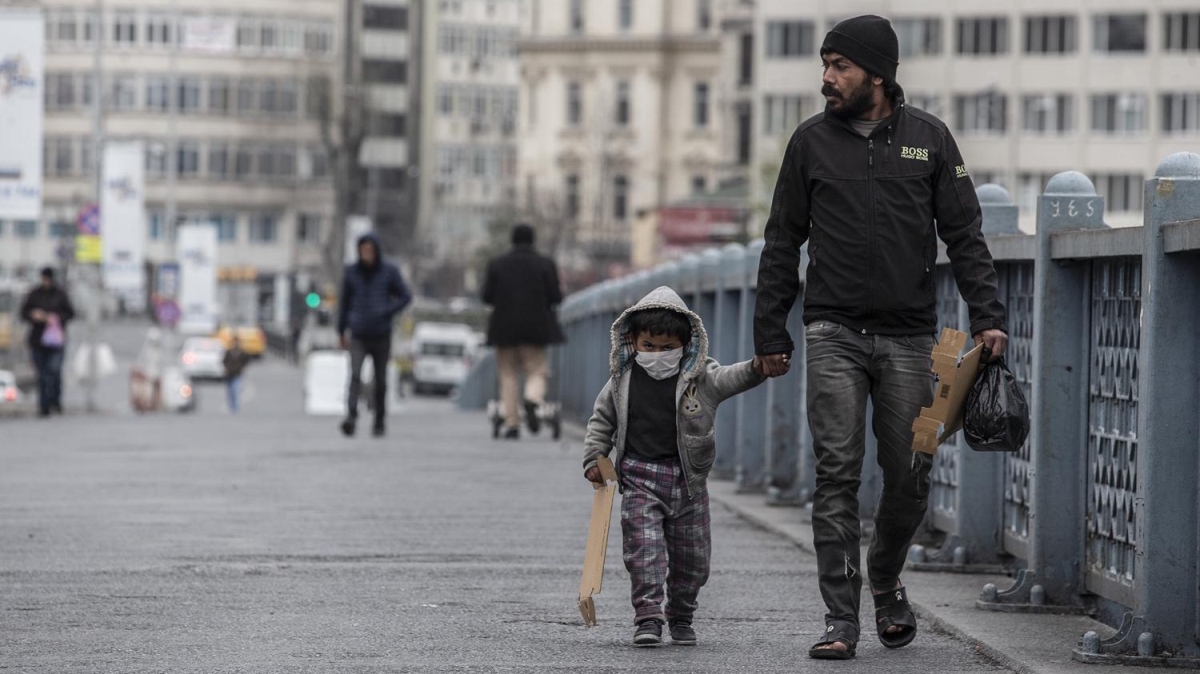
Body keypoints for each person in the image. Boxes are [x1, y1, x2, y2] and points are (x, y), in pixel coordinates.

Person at [752, 15, 1009, 660]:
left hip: (908, 338)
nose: (826, 78)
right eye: (825, 64)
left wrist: (988, 314)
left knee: (910, 472)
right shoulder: (810, 143)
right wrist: (769, 330)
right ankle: (841, 617)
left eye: (839, 66)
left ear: (877, 73)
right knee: (836, 472)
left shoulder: (929, 140)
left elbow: (965, 234)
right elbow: (782, 241)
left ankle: (886, 579)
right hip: (831, 330)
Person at [582, 286, 767, 647]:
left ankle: (681, 615)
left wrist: (759, 368)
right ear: (632, 341)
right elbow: (601, 420)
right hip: (638, 476)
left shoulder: (701, 377)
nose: (657, 355)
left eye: (667, 348)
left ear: (685, 344)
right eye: (648, 346)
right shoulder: (622, 380)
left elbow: (733, 377)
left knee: (693, 560)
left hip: (689, 483)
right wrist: (594, 458)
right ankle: (648, 616)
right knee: (644, 549)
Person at [481, 224, 564, 439]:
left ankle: (512, 424)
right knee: (537, 371)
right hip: (536, 329)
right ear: (533, 240)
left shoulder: (497, 264)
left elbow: (487, 297)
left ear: (512, 239)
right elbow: (556, 296)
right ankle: (533, 399)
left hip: (504, 329)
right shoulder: (545, 264)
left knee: (508, 375)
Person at [337, 233, 412, 438]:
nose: (366, 254)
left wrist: (387, 309)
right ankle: (351, 416)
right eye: (363, 250)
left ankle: (379, 420)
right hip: (358, 333)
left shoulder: (389, 272)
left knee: (380, 379)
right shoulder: (351, 272)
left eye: (370, 250)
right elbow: (343, 304)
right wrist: (341, 330)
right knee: (354, 375)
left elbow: (406, 296)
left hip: (381, 333)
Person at [20, 267, 75, 417]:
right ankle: (44, 406)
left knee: (54, 371)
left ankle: (55, 400)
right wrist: (34, 316)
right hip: (38, 340)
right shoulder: (35, 294)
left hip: (56, 340)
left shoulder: (60, 294)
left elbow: (70, 313)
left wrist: (55, 318)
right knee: (42, 374)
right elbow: (24, 312)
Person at [222, 335, 251, 414]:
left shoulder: (241, 352)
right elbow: (224, 361)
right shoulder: (228, 351)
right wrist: (227, 367)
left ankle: (235, 407)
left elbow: (246, 360)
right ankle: (231, 406)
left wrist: (241, 367)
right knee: (230, 391)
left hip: (237, 374)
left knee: (236, 390)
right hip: (229, 374)